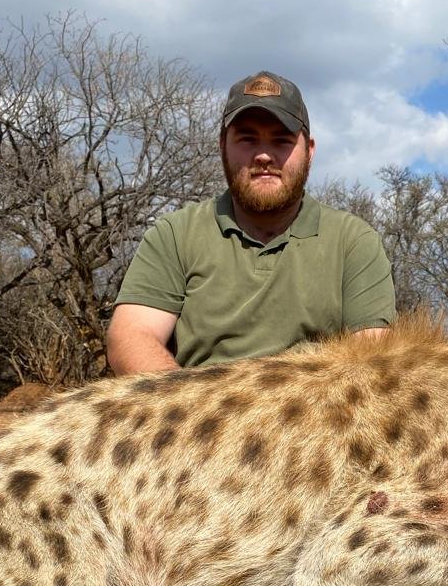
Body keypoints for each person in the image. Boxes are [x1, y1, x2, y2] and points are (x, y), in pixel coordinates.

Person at [107, 70, 395, 373]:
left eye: (281, 140)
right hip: (198, 411)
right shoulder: (174, 233)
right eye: (247, 139)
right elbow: (131, 336)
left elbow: (372, 365)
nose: (264, 156)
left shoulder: (354, 240)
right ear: (222, 146)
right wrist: (197, 413)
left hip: (314, 414)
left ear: (309, 152)